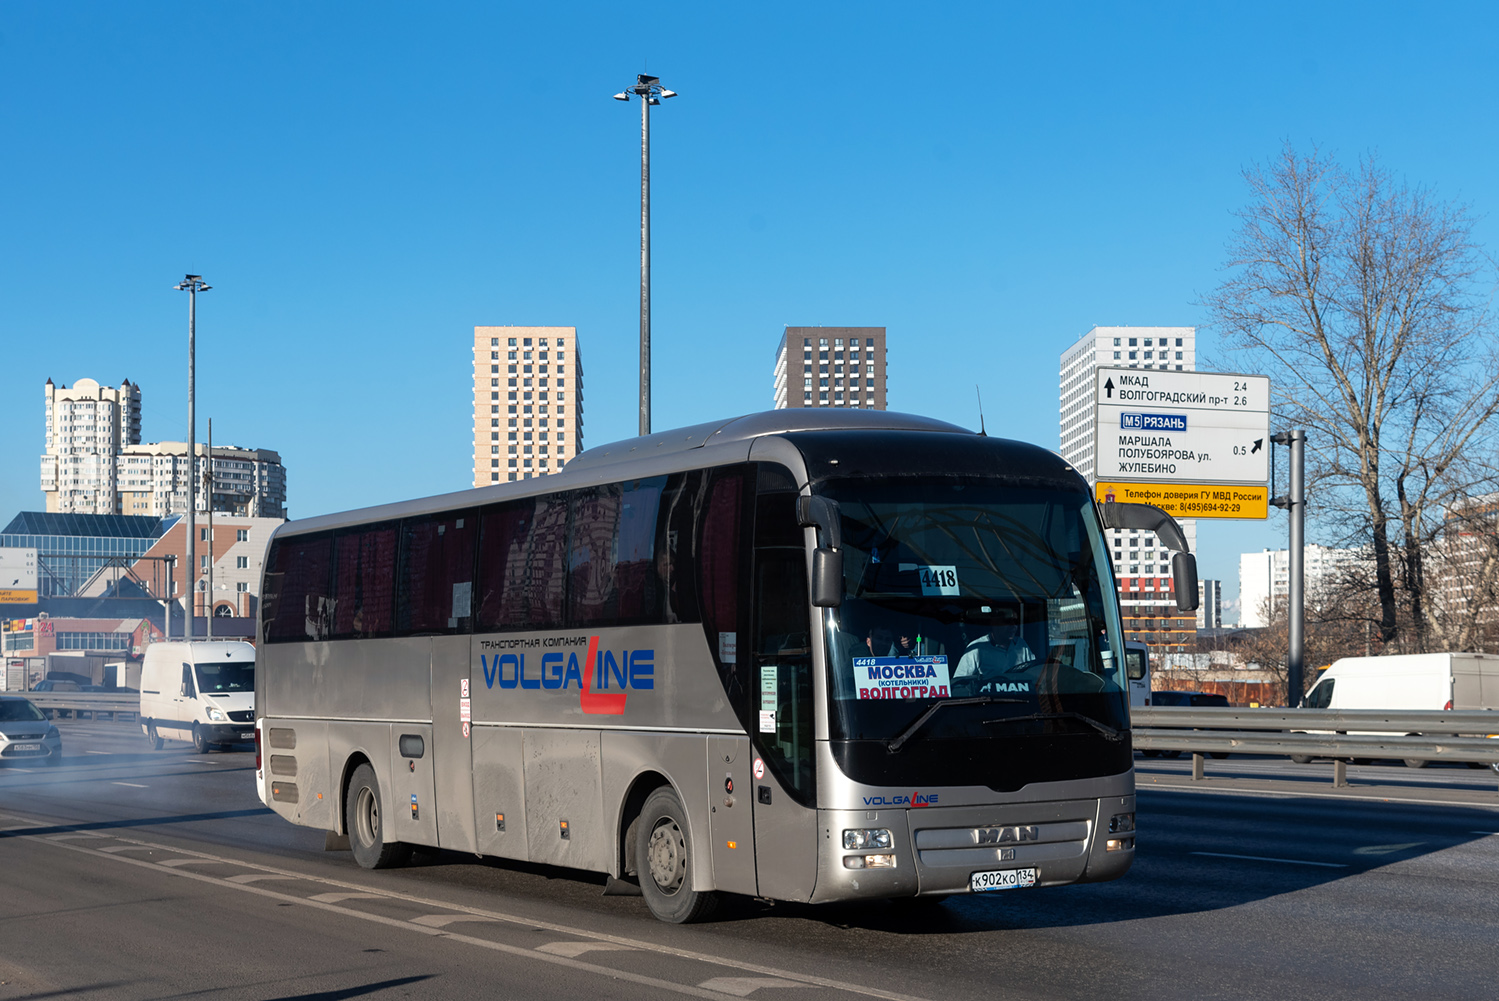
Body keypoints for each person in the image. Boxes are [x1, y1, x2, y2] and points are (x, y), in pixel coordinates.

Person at [953, 608, 1036, 688]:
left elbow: (1034, 674)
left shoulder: (1021, 645)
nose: (1013, 626)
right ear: (995, 623)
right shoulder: (977, 649)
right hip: (989, 700)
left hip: (1020, 698)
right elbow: (958, 683)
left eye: (1015, 622)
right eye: (1008, 621)